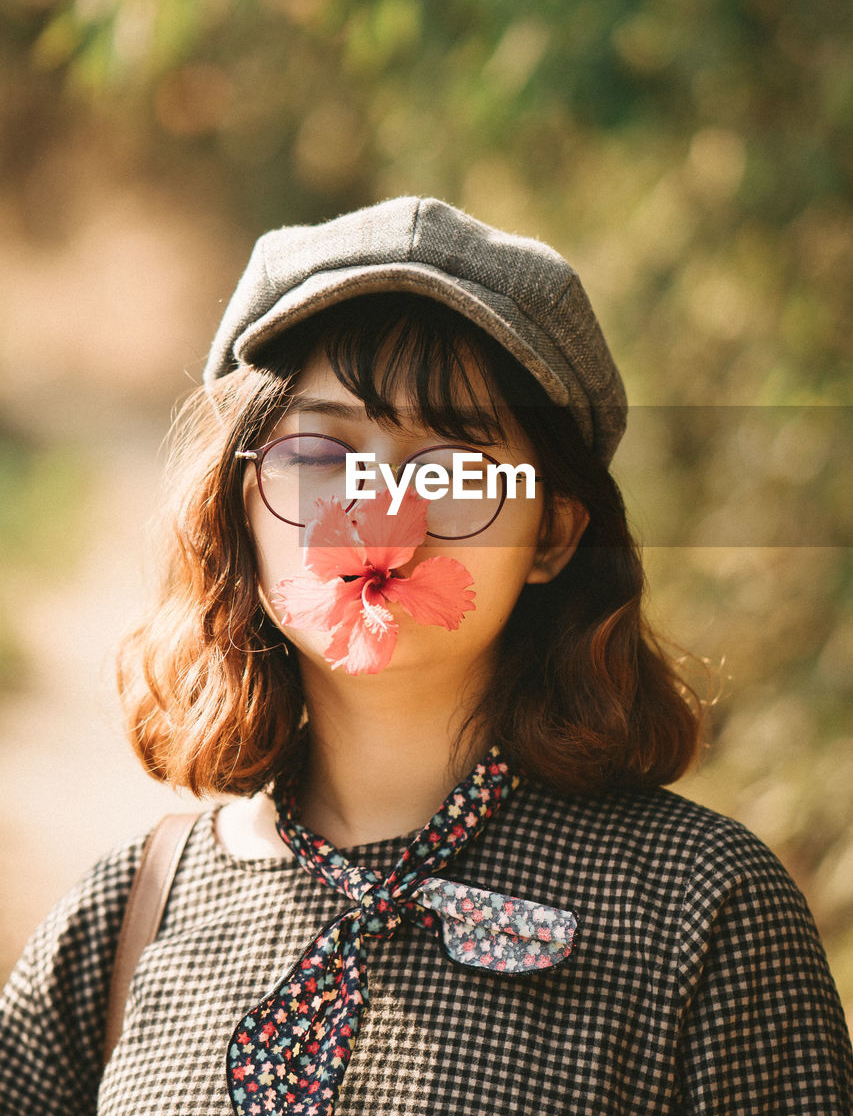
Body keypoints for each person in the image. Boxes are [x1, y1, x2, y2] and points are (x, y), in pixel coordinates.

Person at [1, 196, 850, 1115]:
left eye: (451, 465)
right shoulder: (127, 913)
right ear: (238, 507)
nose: (378, 511)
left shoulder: (700, 908)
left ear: (553, 534)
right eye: (319, 453)